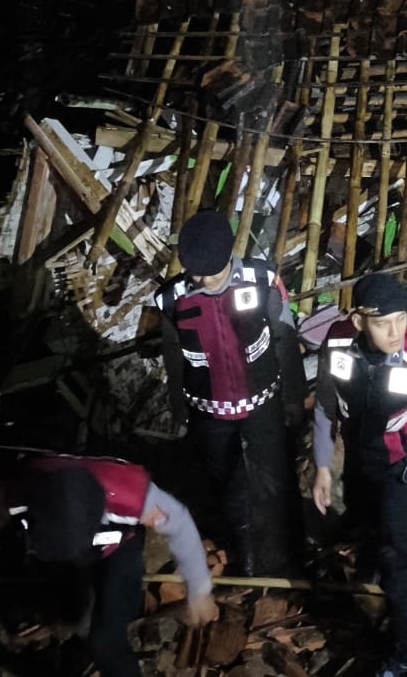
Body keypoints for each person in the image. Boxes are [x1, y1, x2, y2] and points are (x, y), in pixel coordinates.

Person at [312, 271, 407, 677]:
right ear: (359, 322)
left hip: (402, 468)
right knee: (365, 522)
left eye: (401, 319)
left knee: (401, 563)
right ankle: (372, 569)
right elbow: (326, 404)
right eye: (382, 323)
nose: (395, 332)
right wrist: (322, 464)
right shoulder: (339, 343)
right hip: (360, 458)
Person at [0, 454, 217, 677]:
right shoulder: (14, 494)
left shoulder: (133, 497)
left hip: (120, 547)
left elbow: (179, 523)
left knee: (106, 644)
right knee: (65, 608)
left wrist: (199, 588)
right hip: (66, 556)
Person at [159, 210, 307, 576]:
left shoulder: (261, 281)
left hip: (263, 403)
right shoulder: (172, 299)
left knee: (275, 478)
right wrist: (178, 402)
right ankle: (248, 561)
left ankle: (292, 554)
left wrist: (294, 396)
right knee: (229, 487)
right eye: (194, 271)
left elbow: (286, 341)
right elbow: (173, 354)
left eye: (211, 272)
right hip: (209, 411)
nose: (201, 279)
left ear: (229, 256)